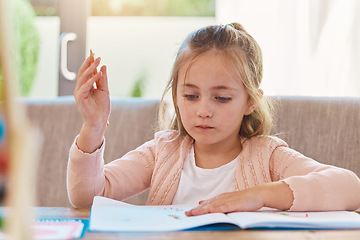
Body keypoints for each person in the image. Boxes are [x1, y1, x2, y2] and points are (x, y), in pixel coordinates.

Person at [67, 23, 360, 216]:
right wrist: (93, 126)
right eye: (191, 96)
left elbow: (351, 188)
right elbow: (86, 197)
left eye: (221, 98)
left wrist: (259, 196)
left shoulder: (267, 156)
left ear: (251, 101)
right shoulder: (162, 153)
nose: (203, 110)